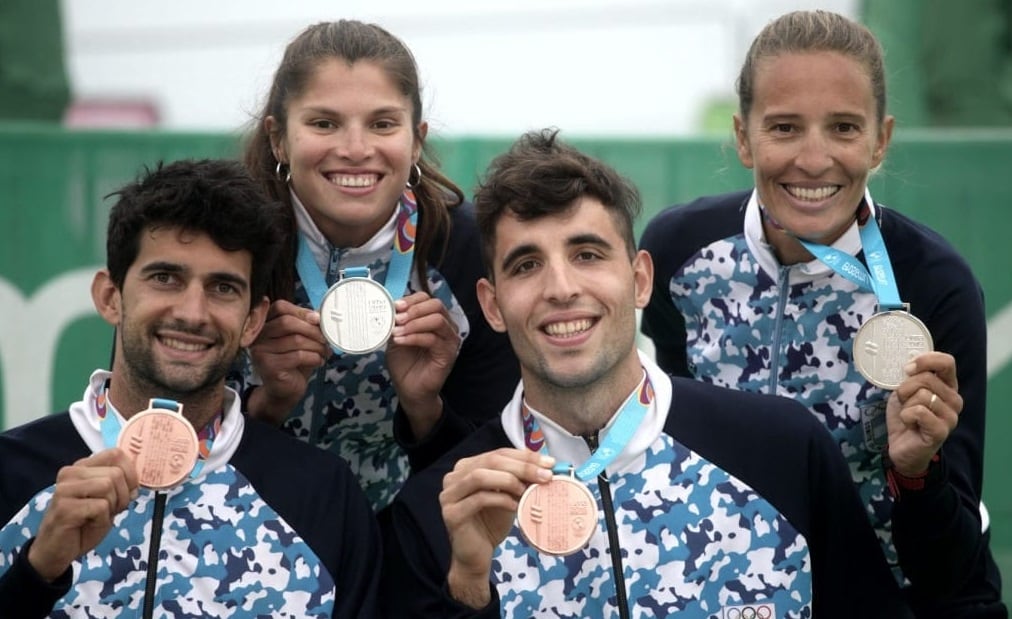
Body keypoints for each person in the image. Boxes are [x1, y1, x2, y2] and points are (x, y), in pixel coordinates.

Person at [380, 129, 911, 618]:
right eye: (526, 265)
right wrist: (470, 584)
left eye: (587, 254)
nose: (561, 288)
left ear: (639, 281)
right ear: (492, 306)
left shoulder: (782, 448)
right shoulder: (439, 511)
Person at [639, 10, 1006, 618]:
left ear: (880, 140)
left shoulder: (935, 284)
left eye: (842, 128)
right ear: (743, 135)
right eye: (784, 127)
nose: (813, 160)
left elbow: (953, 567)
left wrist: (916, 474)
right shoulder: (681, 252)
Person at [0, 159, 379, 617]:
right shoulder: (11, 472)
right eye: (165, 278)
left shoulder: (323, 495)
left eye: (222, 288)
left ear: (253, 321)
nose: (193, 313)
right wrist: (37, 573)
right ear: (110, 297)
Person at [234, 19, 519, 511]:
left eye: (383, 123)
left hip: (406, 549)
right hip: (249, 548)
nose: (355, 149)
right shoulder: (226, 240)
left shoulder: (469, 250)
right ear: (279, 138)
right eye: (323, 123)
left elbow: (496, 462)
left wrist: (426, 410)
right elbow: (164, 441)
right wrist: (264, 407)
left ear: (415, 140)